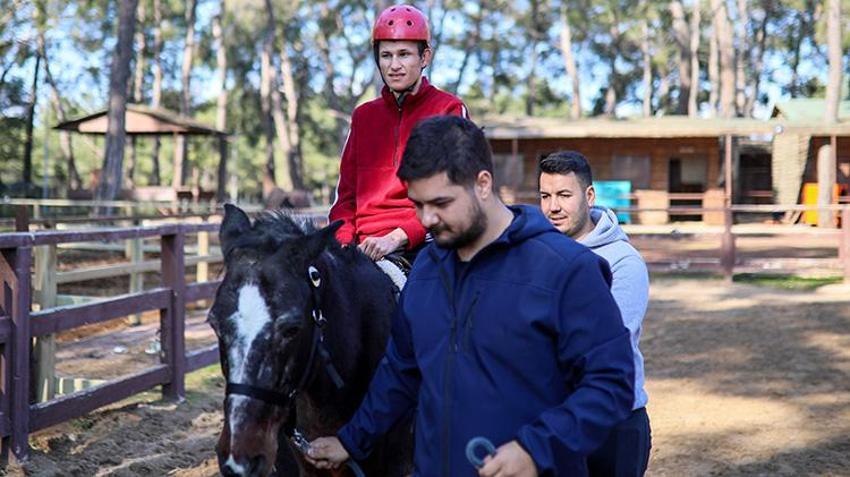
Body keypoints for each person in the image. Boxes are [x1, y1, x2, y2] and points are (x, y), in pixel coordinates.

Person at [305, 115, 635, 476]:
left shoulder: (568, 270)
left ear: (482, 184)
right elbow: (401, 372)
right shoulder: (426, 270)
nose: (426, 218)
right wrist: (350, 441)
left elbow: (611, 384)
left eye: (441, 203)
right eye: (417, 204)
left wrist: (536, 449)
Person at [538, 151, 652, 476]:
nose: (553, 207)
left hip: (613, 424)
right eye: (545, 196)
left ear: (589, 196)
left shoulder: (623, 262)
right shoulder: (536, 256)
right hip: (553, 419)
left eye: (564, 195)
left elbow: (605, 347)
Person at [328, 4, 468, 262]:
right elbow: (344, 198)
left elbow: (455, 191)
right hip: (359, 249)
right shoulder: (363, 117)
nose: (394, 65)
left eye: (404, 54)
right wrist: (344, 245)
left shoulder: (448, 109)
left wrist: (397, 237)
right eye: (386, 55)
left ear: (425, 57)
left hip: (422, 244)